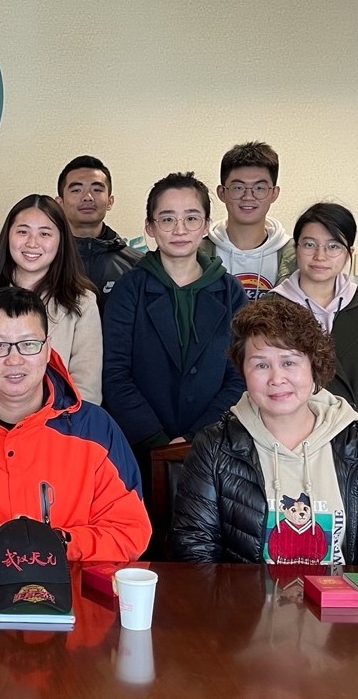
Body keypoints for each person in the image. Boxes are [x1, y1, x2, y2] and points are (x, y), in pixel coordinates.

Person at [0, 287, 151, 562]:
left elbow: (130, 533)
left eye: (29, 344)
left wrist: (54, 544)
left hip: (73, 587)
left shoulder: (96, 429)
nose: (14, 359)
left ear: (47, 349)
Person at [169, 300, 358, 566]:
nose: (276, 378)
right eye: (261, 365)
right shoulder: (214, 446)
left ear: (314, 367)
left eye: (289, 362)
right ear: (243, 372)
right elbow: (194, 552)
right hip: (245, 594)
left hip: (339, 592)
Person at [102, 172, 248, 497]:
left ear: (206, 225)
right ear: (150, 227)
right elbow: (114, 373)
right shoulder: (130, 289)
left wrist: (198, 437)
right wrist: (158, 442)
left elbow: (241, 375)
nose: (180, 230)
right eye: (167, 219)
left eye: (191, 218)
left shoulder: (230, 292)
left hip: (214, 446)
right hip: (140, 445)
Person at [269, 203, 358, 439]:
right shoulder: (270, 307)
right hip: (286, 437)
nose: (320, 256)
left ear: (349, 252)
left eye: (333, 246)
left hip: (357, 435)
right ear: (296, 248)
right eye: (309, 244)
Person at [0, 195, 102, 403]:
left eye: (45, 233)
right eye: (22, 232)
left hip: (62, 421)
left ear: (61, 241)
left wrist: (47, 421)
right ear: (8, 236)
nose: (32, 243)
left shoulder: (82, 302)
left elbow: (86, 387)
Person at [201, 141, 296, 299]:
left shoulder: (296, 256)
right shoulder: (197, 253)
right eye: (238, 187)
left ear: (274, 193)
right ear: (222, 192)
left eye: (259, 188)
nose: (248, 197)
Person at [55, 155, 141, 315]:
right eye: (76, 190)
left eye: (97, 190)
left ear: (110, 201)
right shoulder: (44, 260)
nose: (87, 197)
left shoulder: (137, 265)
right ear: (60, 203)